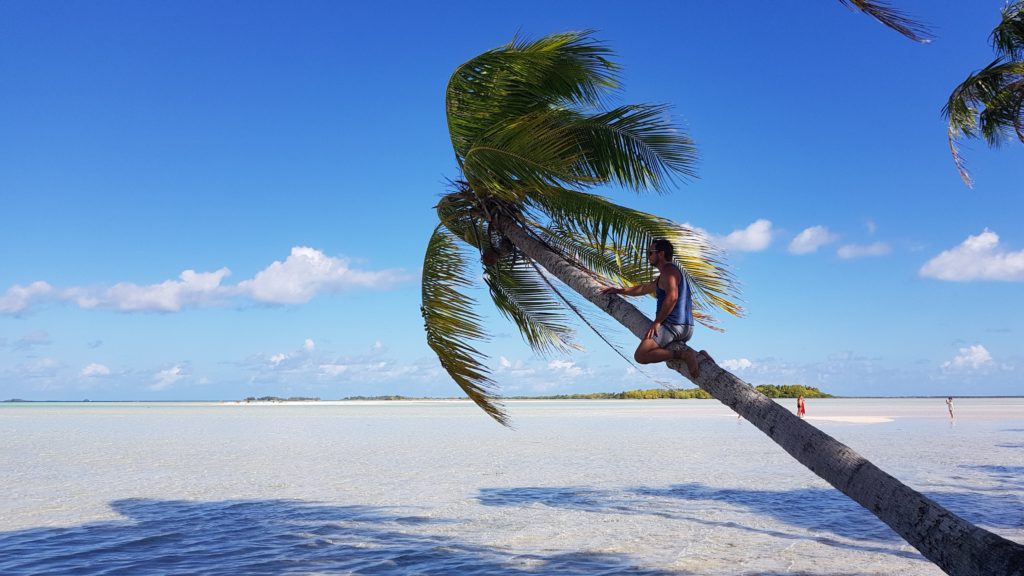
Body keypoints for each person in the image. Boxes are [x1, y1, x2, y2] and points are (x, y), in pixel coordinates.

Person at [600, 239, 708, 378]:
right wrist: (618, 290)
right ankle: (701, 357)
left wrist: (657, 322)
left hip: (673, 326)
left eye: (650, 253)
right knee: (652, 352)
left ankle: (684, 354)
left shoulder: (669, 271)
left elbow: (672, 298)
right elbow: (642, 288)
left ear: (661, 254)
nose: (648, 256)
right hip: (686, 329)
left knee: (641, 355)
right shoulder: (665, 274)